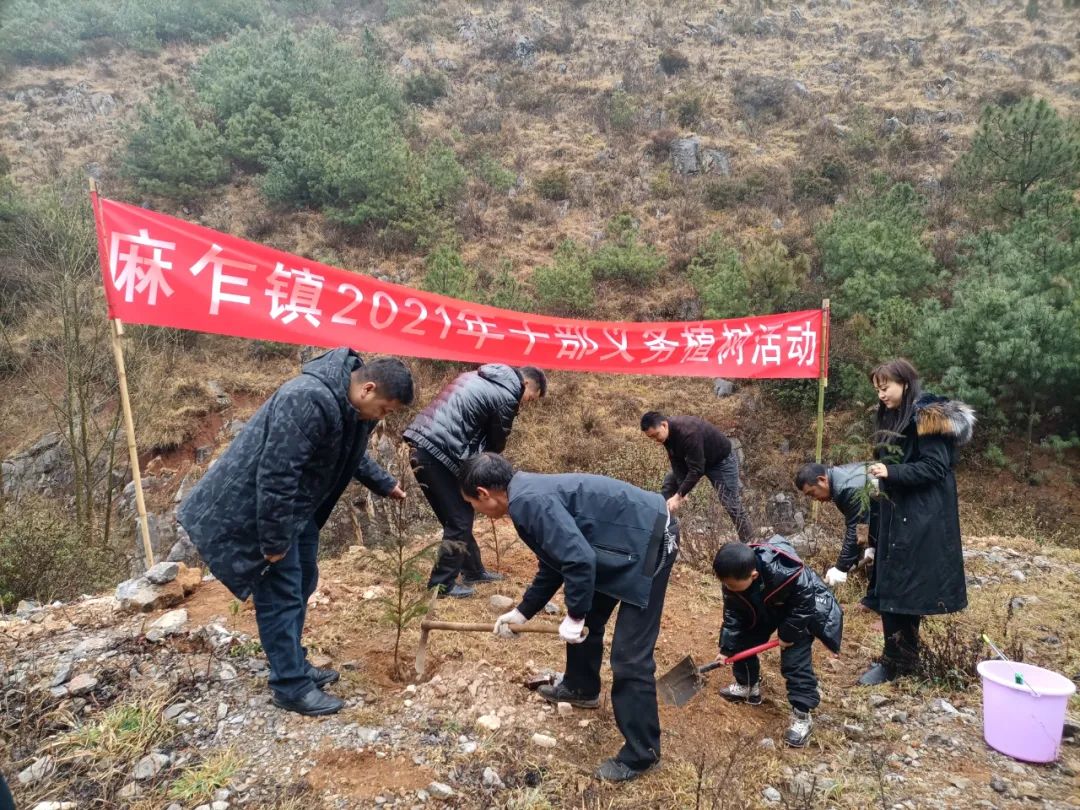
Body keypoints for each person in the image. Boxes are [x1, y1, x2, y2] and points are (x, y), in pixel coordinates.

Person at [178, 348, 414, 716]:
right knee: (280, 592)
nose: (382, 417)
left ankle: (294, 661)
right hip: (259, 509)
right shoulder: (306, 398)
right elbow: (276, 473)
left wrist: (384, 483)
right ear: (368, 389)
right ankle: (289, 686)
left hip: (297, 509)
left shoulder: (349, 407)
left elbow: (351, 453)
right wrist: (273, 541)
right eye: (385, 409)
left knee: (303, 581)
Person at [459, 452, 678, 783]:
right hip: (619, 542)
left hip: (651, 539)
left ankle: (641, 755)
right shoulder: (524, 494)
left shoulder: (528, 502)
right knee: (587, 615)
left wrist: (574, 616)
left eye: (474, 506)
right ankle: (581, 687)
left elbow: (577, 559)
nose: (478, 513)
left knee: (630, 658)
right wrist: (523, 611)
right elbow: (556, 562)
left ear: (484, 493)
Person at [857, 358, 974, 686]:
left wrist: (891, 471)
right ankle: (901, 658)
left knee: (904, 585)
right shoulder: (893, 415)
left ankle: (897, 662)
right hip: (897, 510)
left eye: (886, 387)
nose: (881, 394)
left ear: (905, 384)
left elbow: (936, 467)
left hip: (923, 514)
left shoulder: (927, 417)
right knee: (894, 584)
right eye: (877, 389)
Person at [404, 364, 547, 598]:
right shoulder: (507, 394)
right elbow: (495, 445)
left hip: (427, 445)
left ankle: (472, 570)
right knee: (459, 519)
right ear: (528, 384)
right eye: (531, 398)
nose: (526, 404)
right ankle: (441, 585)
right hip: (438, 451)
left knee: (460, 512)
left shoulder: (481, 377)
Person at [712, 539, 842, 748]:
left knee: (794, 662)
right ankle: (748, 686)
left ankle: (802, 715)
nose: (728, 589)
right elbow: (732, 615)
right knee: (742, 643)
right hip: (763, 608)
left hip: (798, 615)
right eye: (726, 585)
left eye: (732, 585)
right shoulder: (732, 582)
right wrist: (727, 648)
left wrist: (788, 633)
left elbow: (804, 605)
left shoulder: (787, 573)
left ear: (753, 575)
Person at [640, 411, 754, 543]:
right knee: (669, 483)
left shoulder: (688, 432)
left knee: (731, 504)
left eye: (656, 435)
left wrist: (679, 496)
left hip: (721, 462)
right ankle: (663, 534)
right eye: (651, 438)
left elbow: (696, 470)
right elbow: (676, 461)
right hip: (696, 459)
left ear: (664, 425)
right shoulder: (666, 435)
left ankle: (751, 544)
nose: (656, 440)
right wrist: (681, 486)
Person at [794, 462, 879, 586]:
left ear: (822, 480)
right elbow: (869, 516)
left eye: (812, 493)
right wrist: (874, 544)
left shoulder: (847, 489)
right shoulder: (841, 478)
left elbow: (856, 527)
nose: (815, 499)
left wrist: (841, 568)